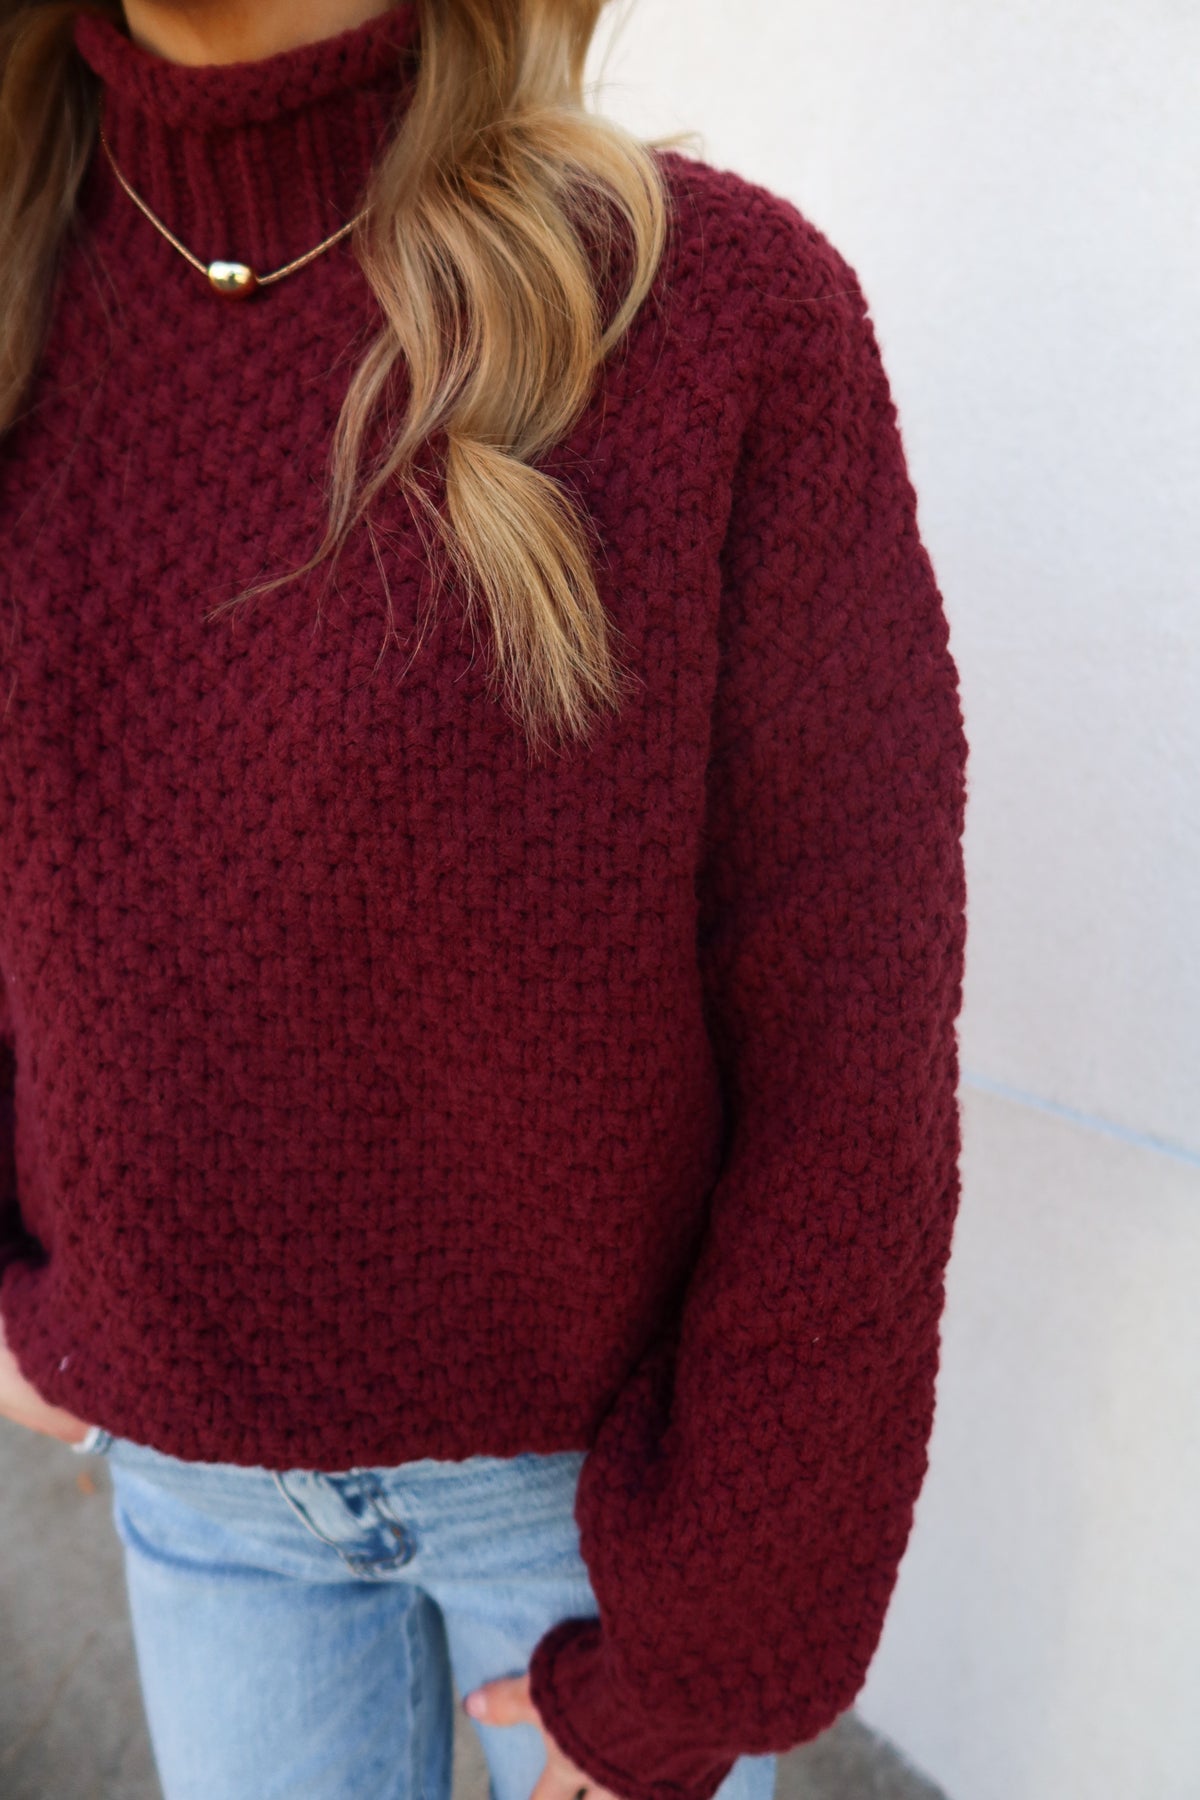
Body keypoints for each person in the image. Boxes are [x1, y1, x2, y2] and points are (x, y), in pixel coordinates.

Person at [0, 1, 970, 1798]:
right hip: (192, 1490)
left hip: (594, 1509)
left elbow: (853, 1044)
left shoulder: (712, 318)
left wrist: (713, 1640)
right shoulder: (22, 300)